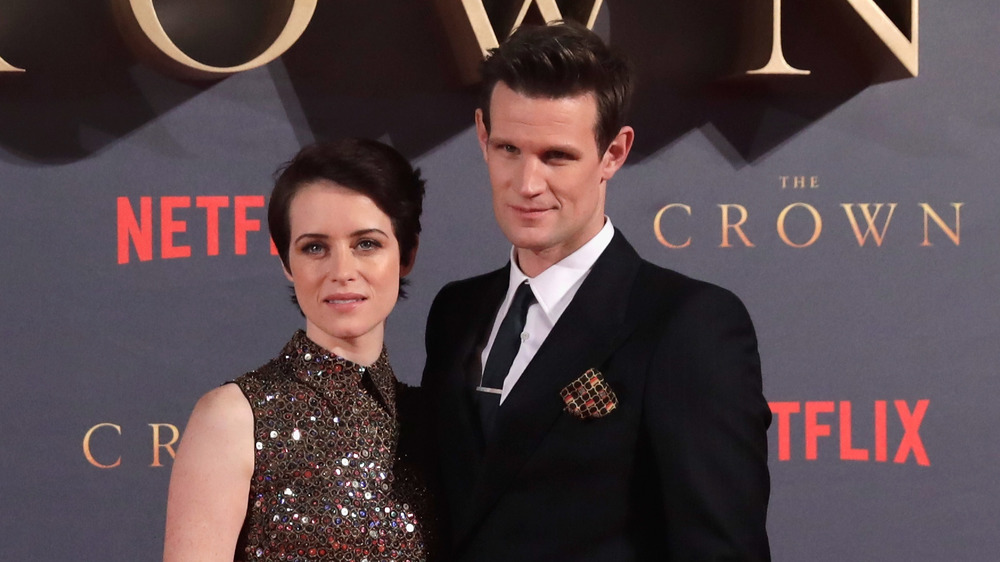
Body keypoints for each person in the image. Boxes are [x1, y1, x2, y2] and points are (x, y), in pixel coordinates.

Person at [420, 22, 771, 561]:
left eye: (556, 156)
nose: (527, 183)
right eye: (509, 148)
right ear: (482, 136)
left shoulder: (686, 325)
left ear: (613, 153)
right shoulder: (455, 312)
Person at [164, 139, 433, 561]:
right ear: (287, 263)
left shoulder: (432, 421)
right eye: (315, 248)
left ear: (407, 254)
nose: (342, 272)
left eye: (366, 244)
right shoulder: (235, 418)